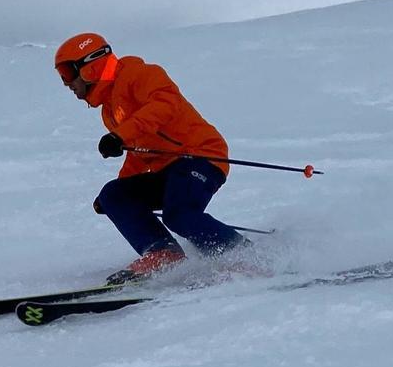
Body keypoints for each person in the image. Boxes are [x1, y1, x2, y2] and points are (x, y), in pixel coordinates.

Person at [54, 32, 248, 285]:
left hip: (200, 156)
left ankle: (245, 255)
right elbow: (138, 154)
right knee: (113, 194)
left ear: (91, 65)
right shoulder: (110, 110)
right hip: (166, 171)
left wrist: (120, 135)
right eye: (62, 76)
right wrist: (118, 199)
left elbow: (165, 104)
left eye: (68, 73)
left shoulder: (140, 74)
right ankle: (163, 252)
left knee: (178, 214)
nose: (67, 83)